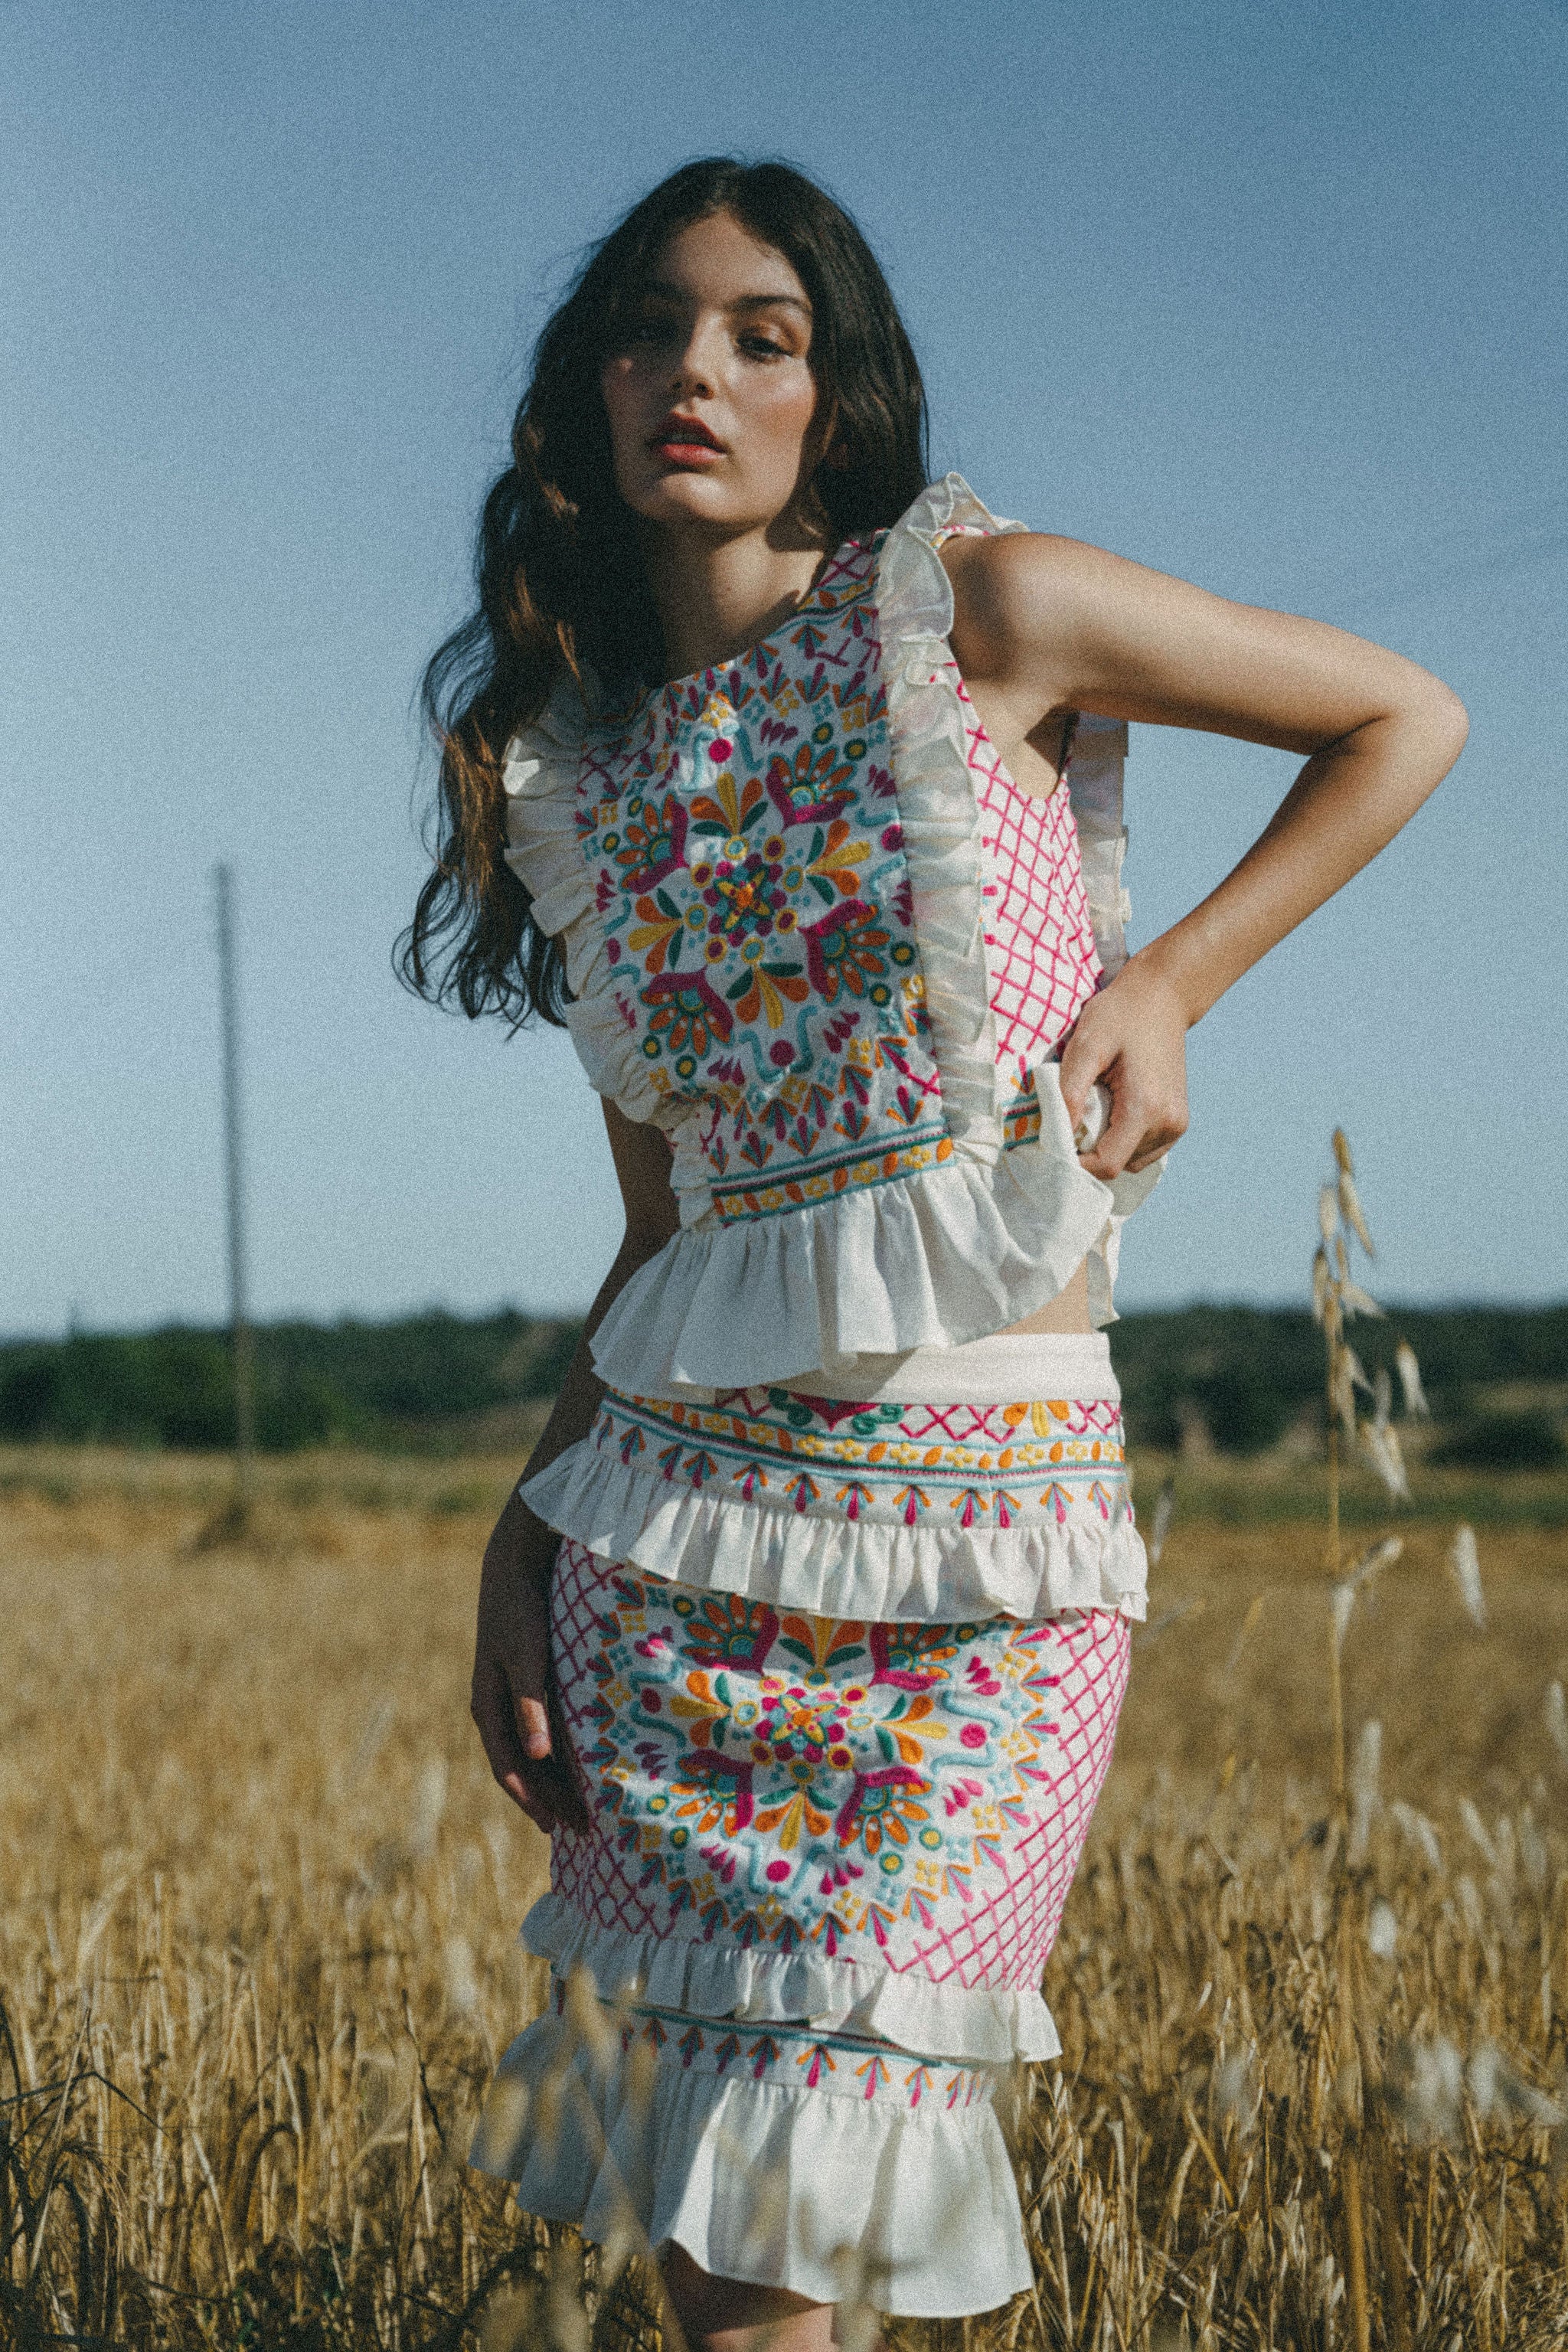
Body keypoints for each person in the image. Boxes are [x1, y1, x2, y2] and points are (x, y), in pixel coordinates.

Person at [405, 157, 1465, 2344]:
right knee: (740, 2277)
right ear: (588, 392)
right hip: (666, 1550)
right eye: (648, 329)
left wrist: (1167, 981)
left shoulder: (978, 611)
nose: (692, 370)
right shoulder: (577, 775)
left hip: (982, 1565)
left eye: (758, 334)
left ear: (834, 392)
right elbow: (658, 1231)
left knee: (840, 2193)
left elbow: (1403, 718)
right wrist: (525, 1528)